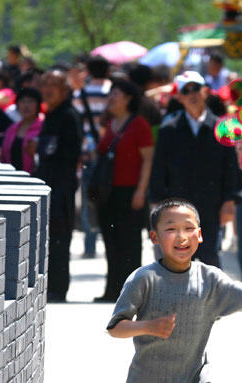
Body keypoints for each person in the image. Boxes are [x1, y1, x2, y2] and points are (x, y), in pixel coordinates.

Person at [106, 198, 242, 382]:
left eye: (189, 228)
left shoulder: (210, 279)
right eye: (171, 229)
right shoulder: (144, 278)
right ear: (154, 237)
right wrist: (148, 326)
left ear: (200, 234)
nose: (182, 236)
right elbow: (115, 328)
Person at [149, 71, 238, 268]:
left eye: (195, 88)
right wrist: (155, 202)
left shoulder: (222, 127)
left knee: (210, 259)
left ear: (206, 91)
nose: (192, 94)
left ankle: (212, 300)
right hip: (177, 207)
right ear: (179, 97)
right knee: (175, 261)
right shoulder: (168, 129)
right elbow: (159, 168)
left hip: (211, 205)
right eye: (185, 90)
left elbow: (230, 167)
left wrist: (230, 201)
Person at [94, 79, 154, 302]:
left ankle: (132, 293)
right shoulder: (110, 124)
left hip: (130, 191)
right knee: (111, 242)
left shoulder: (139, 124)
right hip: (108, 192)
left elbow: (147, 159)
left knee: (129, 243)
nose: (111, 98)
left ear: (128, 98)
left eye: (115, 94)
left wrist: (141, 190)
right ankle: (112, 290)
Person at [33, 69, 83, 302]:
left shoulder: (69, 115)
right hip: (49, 184)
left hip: (61, 186)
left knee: (60, 238)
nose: (48, 89)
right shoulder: (50, 114)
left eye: (54, 84)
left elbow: (70, 153)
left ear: (65, 89)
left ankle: (58, 288)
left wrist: (42, 147)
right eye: (45, 84)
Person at [71, 55, 112, 259]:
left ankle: (90, 245)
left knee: (89, 198)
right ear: (107, 71)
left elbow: (77, 125)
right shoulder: (113, 93)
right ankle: (110, 238)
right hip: (111, 153)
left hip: (88, 153)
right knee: (110, 197)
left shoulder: (80, 95)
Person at [0, 87, 43, 173]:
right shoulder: (11, 129)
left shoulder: (43, 128)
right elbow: (3, 158)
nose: (26, 105)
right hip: (10, 178)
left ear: (38, 105)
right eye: (22, 101)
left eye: (30, 101)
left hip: (35, 180)